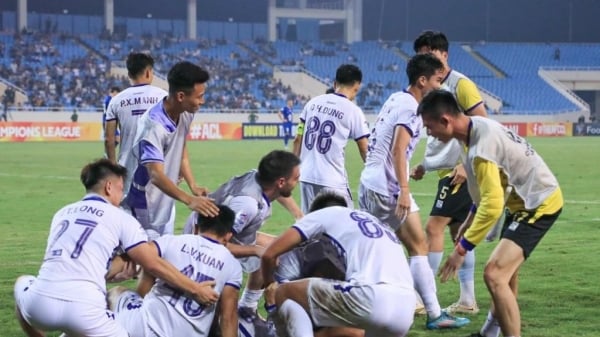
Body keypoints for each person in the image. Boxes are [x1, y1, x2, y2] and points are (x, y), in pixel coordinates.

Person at [13, 159, 218, 337]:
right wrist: (195, 289)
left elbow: (74, 259)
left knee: (22, 283)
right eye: (121, 189)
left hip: (40, 306)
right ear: (109, 187)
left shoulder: (62, 213)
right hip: (86, 309)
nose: (122, 195)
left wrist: (111, 268)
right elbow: (153, 264)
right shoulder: (120, 217)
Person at [418, 90, 564, 337]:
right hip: (520, 202)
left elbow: (493, 205)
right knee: (506, 276)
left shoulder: (480, 147)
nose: (428, 133)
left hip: (538, 204)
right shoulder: (474, 131)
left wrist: (460, 250)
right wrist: (469, 218)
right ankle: (488, 334)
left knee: (494, 274)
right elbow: (485, 187)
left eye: (429, 127)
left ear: (445, 120)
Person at [358, 53, 468, 330]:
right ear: (422, 80)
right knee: (419, 245)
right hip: (388, 188)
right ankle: (433, 313)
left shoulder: (396, 98)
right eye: (437, 80)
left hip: (369, 183)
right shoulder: (411, 108)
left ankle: (369, 307)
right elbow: (397, 148)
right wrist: (404, 189)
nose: (440, 87)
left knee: (376, 250)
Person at [261, 191, 416, 337]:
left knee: (284, 293)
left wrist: (271, 289)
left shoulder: (322, 216)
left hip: (372, 297)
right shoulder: (367, 228)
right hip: (406, 311)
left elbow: (269, 254)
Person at [410, 30, 488, 315]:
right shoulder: (432, 86)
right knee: (459, 234)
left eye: (429, 54)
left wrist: (465, 165)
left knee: (432, 229)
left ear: (443, 54)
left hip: (461, 174)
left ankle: (421, 297)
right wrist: (425, 165)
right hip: (445, 172)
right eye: (421, 56)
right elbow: (437, 135)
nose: (425, 60)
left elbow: (483, 125)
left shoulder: (460, 85)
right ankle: (467, 300)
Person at [181, 150, 301, 327]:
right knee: (216, 312)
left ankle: (247, 307)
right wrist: (255, 250)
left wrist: (299, 215)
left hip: (223, 232)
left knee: (277, 249)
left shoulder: (259, 179)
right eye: (296, 178)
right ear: (281, 182)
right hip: (203, 241)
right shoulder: (248, 205)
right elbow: (215, 243)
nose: (297, 182)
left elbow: (278, 193)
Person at [107, 205, 242, 337]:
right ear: (228, 236)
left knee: (116, 293)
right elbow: (228, 318)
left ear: (196, 227)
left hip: (144, 328)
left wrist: (100, 273)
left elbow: (134, 255)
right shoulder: (233, 266)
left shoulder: (170, 242)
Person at [125, 61, 218, 240]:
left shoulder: (186, 112)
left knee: (162, 251)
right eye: (199, 96)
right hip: (146, 201)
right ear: (181, 96)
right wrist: (190, 200)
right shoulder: (154, 126)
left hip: (167, 194)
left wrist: (193, 185)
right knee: (145, 257)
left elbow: (181, 145)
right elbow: (156, 176)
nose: (202, 101)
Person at [292, 64, 370, 213]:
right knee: (346, 224)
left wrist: (293, 168)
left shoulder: (312, 103)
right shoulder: (353, 110)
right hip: (332, 180)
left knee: (311, 227)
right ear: (356, 86)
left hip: (306, 175)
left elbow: (297, 138)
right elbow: (364, 148)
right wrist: (375, 172)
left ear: (335, 84)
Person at [104, 53, 167, 190]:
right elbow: (173, 134)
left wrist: (112, 168)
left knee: (127, 209)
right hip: (159, 170)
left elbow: (109, 140)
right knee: (159, 208)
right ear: (148, 72)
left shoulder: (116, 101)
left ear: (129, 74)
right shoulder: (163, 97)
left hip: (127, 169)